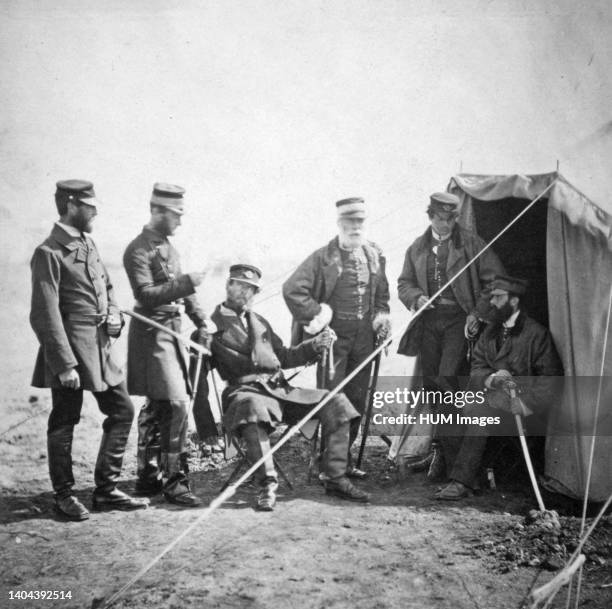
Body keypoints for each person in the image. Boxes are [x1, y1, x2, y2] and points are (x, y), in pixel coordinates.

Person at [30, 179, 148, 521]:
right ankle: (64, 495)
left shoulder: (89, 244)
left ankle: (106, 490)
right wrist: (64, 364)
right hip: (69, 349)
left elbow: (107, 290)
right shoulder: (48, 252)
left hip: (99, 348)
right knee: (65, 419)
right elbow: (44, 313)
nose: (95, 210)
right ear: (70, 205)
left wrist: (114, 318)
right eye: (89, 205)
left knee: (123, 410)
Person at [208, 264, 370, 511]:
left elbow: (283, 355)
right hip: (244, 394)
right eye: (240, 286)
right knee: (251, 408)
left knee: (337, 402)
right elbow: (196, 377)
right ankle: (267, 484)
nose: (245, 293)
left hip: (280, 391)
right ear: (229, 286)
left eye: (251, 289)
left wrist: (315, 345)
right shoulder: (210, 326)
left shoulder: (260, 321)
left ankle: (334, 476)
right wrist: (206, 428)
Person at [397, 191, 504, 477]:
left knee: (448, 382)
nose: (445, 225)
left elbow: (496, 282)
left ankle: (461, 468)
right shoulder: (417, 248)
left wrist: (478, 313)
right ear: (430, 216)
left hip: (459, 321)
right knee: (433, 386)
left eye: (450, 219)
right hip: (429, 322)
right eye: (440, 219)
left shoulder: (471, 243)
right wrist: (417, 298)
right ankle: (444, 457)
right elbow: (404, 284)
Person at [282, 197, 391, 478]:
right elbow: (292, 289)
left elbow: (381, 296)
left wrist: (381, 318)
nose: (355, 227)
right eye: (350, 222)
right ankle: (324, 462)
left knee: (356, 401)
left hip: (365, 340)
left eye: (360, 222)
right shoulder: (323, 257)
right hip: (334, 341)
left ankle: (342, 459)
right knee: (332, 401)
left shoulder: (375, 255)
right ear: (339, 223)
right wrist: (319, 316)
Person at [123, 183, 212, 506]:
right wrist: (186, 281)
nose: (179, 221)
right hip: (151, 337)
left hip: (171, 336)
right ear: (157, 211)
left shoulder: (169, 249)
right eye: (175, 214)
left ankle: (148, 476)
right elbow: (145, 295)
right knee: (175, 404)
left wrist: (202, 319)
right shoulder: (137, 250)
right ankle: (175, 481)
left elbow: (183, 292)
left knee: (158, 404)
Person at [436, 275, 563, 500]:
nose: (492, 302)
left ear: (514, 301)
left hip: (521, 409)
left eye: (498, 297)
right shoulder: (490, 332)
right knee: (448, 411)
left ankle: (461, 482)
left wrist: (524, 401)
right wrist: (492, 379)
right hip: (491, 399)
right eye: (492, 297)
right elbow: (477, 366)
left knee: (481, 414)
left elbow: (550, 381)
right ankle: (471, 478)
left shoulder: (536, 334)